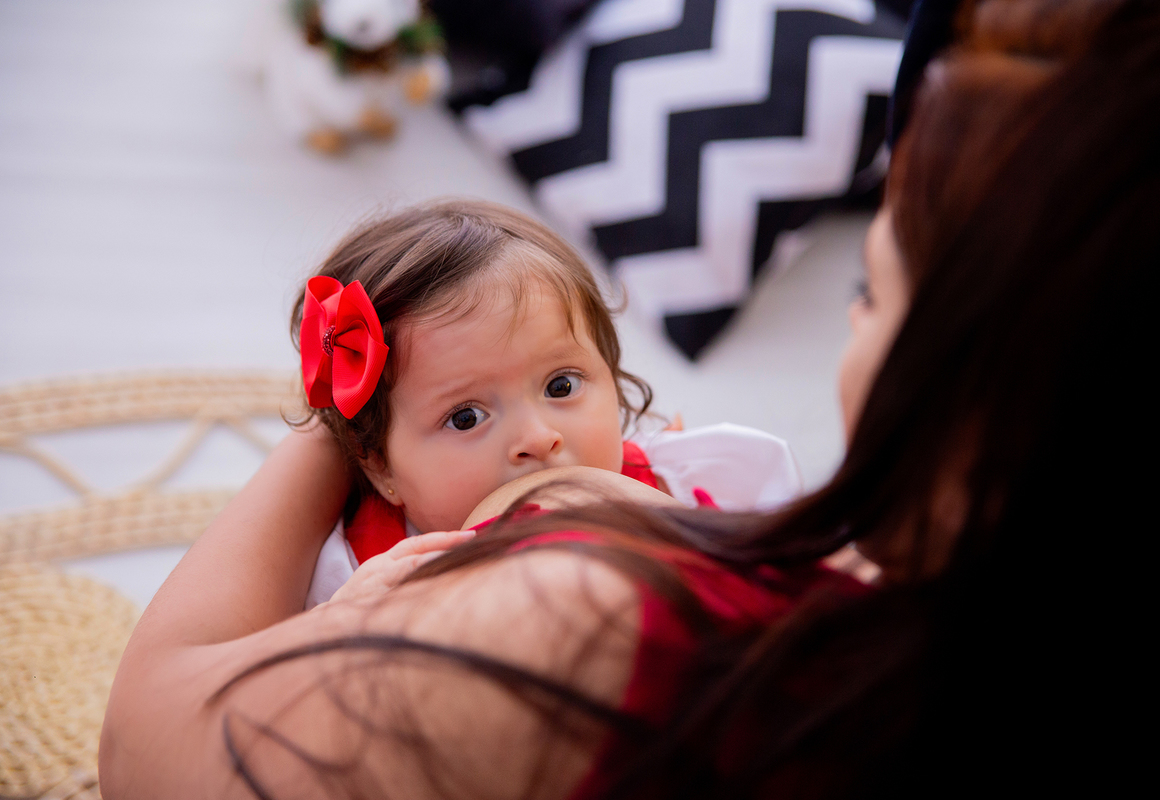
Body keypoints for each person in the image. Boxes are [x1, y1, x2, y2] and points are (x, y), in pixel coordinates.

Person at [100, 0, 1157, 796]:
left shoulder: (589, 620)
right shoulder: (846, 588)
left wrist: (354, 416)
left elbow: (147, 747)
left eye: (870, 289)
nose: (541, 435)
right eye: (467, 414)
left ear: (992, 386)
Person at [282, 200, 801, 606]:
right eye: (466, 417)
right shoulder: (366, 572)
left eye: (561, 386)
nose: (537, 437)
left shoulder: (684, 486)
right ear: (379, 467)